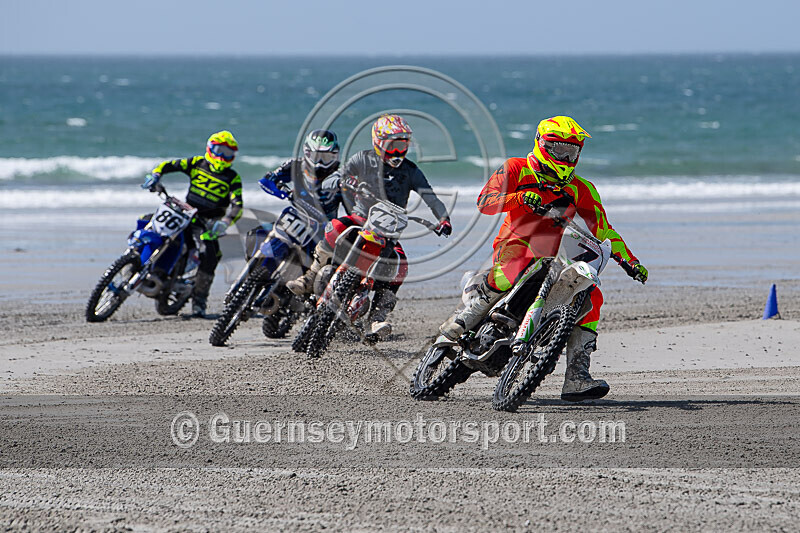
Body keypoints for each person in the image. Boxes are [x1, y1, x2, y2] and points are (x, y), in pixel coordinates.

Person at [440, 116, 648, 402]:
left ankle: (577, 376)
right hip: (516, 245)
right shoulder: (516, 168)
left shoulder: (581, 189)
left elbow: (604, 229)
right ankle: (463, 319)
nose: (564, 157)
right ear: (540, 144)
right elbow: (485, 202)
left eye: (571, 152)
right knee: (514, 269)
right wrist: (521, 198)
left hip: (558, 253)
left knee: (592, 295)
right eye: (558, 149)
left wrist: (630, 261)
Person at [286, 114, 453, 341]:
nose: (397, 151)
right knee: (334, 227)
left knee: (401, 267)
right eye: (392, 145)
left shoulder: (411, 171)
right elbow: (332, 178)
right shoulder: (361, 159)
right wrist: (344, 181)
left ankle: (378, 317)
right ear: (378, 142)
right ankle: (310, 277)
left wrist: (443, 219)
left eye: (402, 145)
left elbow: (431, 197)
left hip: (389, 232)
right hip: (360, 219)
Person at [143, 130, 243, 317]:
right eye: (220, 150)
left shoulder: (232, 177)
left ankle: (199, 301)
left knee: (210, 255)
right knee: (149, 222)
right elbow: (169, 165)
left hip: (208, 224)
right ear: (210, 148)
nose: (222, 156)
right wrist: (155, 175)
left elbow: (238, 205)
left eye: (228, 153)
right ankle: (136, 264)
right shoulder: (197, 163)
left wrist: (225, 222)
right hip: (185, 213)